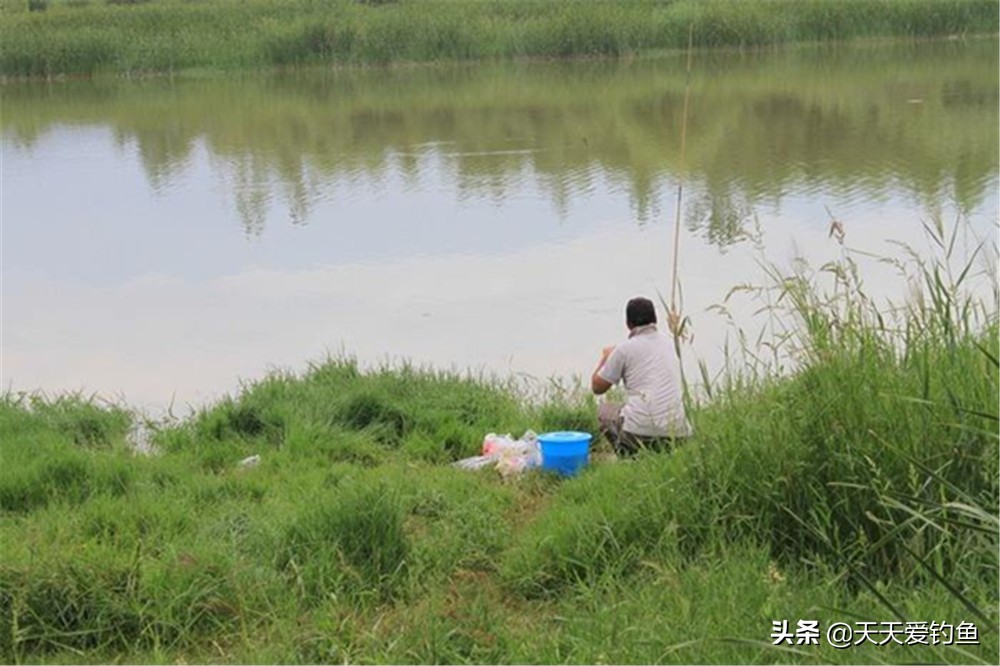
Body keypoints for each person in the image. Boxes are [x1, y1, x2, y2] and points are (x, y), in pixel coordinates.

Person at [591, 296, 692, 456]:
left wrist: (605, 357)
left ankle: (628, 456)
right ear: (655, 320)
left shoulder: (623, 349)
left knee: (604, 411)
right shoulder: (671, 343)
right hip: (679, 434)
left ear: (628, 324)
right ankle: (662, 455)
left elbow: (597, 387)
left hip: (640, 434)